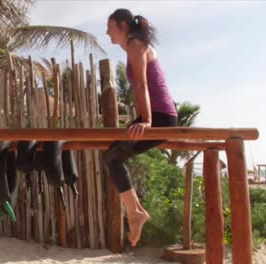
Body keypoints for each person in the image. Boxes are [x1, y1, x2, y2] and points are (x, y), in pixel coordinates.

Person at [103, 9, 178, 247]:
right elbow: (141, 87)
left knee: (112, 158)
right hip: (157, 115)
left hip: (160, 117)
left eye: (110, 26)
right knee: (112, 156)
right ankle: (135, 212)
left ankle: (135, 213)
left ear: (122, 25)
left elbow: (143, 84)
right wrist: (139, 119)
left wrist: (145, 121)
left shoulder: (136, 44)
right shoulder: (134, 46)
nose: (107, 32)